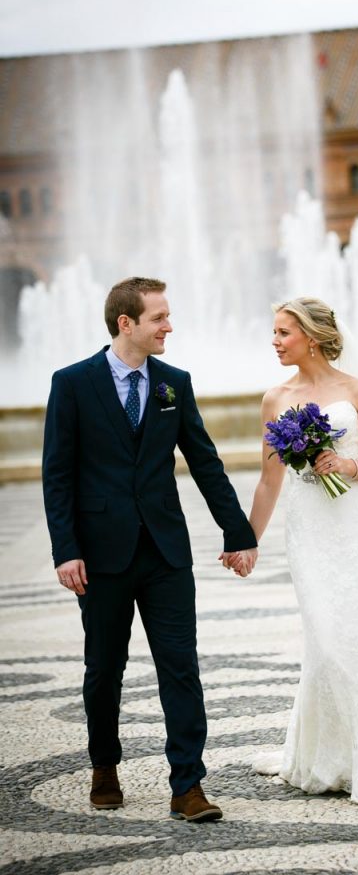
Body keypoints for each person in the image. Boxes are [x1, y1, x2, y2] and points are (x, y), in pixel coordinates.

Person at [42, 276, 258, 822]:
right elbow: (57, 475)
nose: (169, 326)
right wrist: (65, 550)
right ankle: (104, 768)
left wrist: (238, 534)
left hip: (165, 553)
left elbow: (205, 462)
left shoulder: (173, 384)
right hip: (99, 556)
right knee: (103, 669)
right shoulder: (71, 384)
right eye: (159, 317)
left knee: (180, 667)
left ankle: (188, 786)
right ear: (126, 324)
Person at [238, 297, 358, 803]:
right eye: (274, 332)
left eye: (284, 332)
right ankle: (330, 756)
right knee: (326, 639)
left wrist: (345, 466)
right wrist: (245, 540)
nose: (275, 341)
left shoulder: (357, 391)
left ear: (313, 336)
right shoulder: (273, 399)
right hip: (310, 531)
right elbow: (268, 482)